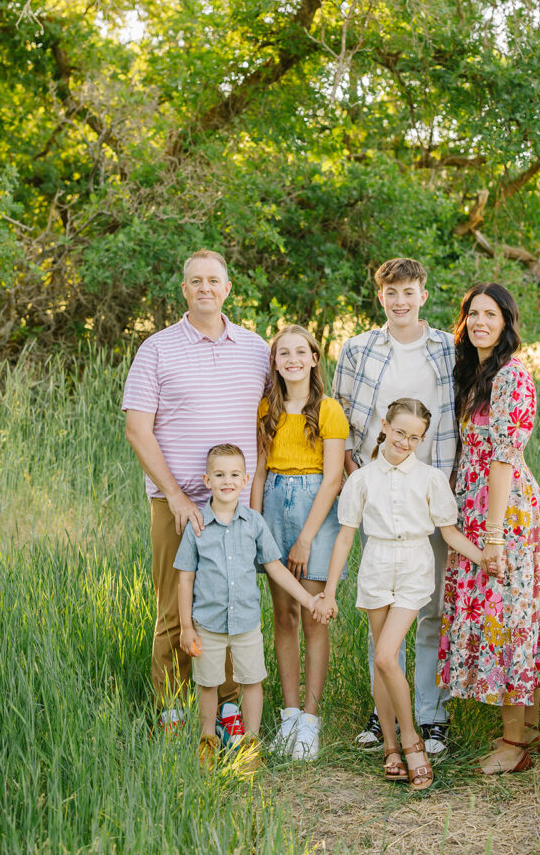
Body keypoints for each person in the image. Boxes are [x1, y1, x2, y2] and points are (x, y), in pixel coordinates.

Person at [123, 249, 270, 732]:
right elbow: (138, 430)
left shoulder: (255, 349)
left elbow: (267, 427)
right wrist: (179, 497)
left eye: (214, 280)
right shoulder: (158, 349)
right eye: (195, 281)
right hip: (177, 502)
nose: (205, 287)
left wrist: (256, 500)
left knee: (230, 602)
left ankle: (228, 706)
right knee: (175, 605)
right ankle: (171, 707)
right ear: (183, 290)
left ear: (227, 289)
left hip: (238, 507)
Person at [315, 398, 484, 790]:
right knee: (382, 658)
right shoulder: (361, 479)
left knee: (388, 654)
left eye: (415, 437)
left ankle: (412, 742)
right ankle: (390, 746)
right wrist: (329, 593)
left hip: (413, 565)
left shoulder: (430, 479)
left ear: (422, 439)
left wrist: (483, 558)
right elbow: (344, 537)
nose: (405, 442)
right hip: (376, 565)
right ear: (385, 426)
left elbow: (450, 532)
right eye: (400, 432)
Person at [437, 283, 540, 774]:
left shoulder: (512, 377)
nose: (480, 322)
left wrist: (492, 535)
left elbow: (502, 459)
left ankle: (514, 745)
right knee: (514, 611)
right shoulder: (475, 373)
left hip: (504, 510)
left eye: (490, 315)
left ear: (507, 322)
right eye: (473, 314)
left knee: (510, 614)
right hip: (478, 505)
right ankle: (525, 735)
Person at [332, 257, 457, 755]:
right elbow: (340, 416)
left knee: (431, 608)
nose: (400, 301)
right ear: (380, 297)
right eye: (391, 293)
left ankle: (431, 714)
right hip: (380, 493)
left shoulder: (448, 348)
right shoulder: (360, 349)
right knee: (383, 609)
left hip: (433, 488)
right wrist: (355, 473)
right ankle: (383, 711)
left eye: (409, 291)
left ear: (424, 294)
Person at [175, 444, 321, 769]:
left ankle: (250, 743)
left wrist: (308, 598)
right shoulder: (197, 525)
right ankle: (207, 740)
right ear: (207, 480)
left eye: (234, 475)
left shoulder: (253, 523)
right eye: (220, 474)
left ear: (245, 480)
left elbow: (276, 568)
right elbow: (185, 579)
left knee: (252, 679)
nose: (227, 481)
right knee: (208, 683)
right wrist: (186, 626)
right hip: (208, 624)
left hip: (246, 623)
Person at [250, 326, 348, 760]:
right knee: (284, 615)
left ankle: (310, 721)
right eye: (282, 352)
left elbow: (333, 479)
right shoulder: (266, 409)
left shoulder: (328, 410)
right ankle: (289, 716)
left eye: (300, 352)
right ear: (275, 361)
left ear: (313, 358)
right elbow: (257, 472)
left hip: (315, 509)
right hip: (273, 502)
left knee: (314, 616)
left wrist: (306, 537)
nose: (291, 359)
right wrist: (254, 525)